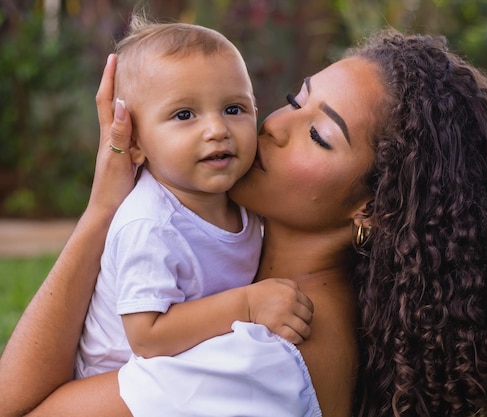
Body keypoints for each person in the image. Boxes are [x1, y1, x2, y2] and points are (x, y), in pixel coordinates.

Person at [0, 29, 487, 417]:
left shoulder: (262, 356)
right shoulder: (260, 269)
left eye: (319, 134)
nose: (272, 127)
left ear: (373, 206)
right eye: (294, 101)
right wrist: (108, 204)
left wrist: (100, 213)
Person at [74, 17, 314, 379]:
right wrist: (247, 305)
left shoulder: (245, 202)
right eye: (184, 114)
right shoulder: (150, 223)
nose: (217, 130)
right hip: (118, 386)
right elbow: (147, 336)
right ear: (135, 143)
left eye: (234, 109)